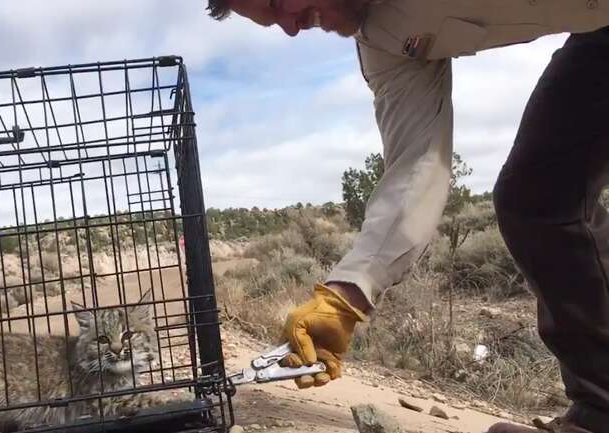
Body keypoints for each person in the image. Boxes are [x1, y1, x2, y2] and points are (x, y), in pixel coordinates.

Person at [204, 1, 609, 432]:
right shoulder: (384, 43)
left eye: (276, 3)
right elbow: (416, 169)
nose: (289, 28)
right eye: (272, 22)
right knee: (537, 197)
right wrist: (346, 297)